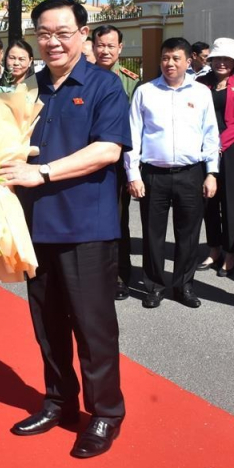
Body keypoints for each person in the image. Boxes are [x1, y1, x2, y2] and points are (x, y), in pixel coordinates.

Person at [0, 0, 130, 459]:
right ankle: (59, 401)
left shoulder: (103, 86)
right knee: (47, 324)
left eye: (62, 33)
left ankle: (105, 413)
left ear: (82, 35)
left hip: (86, 227)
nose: (52, 42)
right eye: (44, 33)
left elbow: (109, 150)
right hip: (36, 226)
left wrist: (45, 172)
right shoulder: (27, 89)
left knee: (93, 329)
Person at [125, 37, 219, 309]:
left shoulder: (201, 93)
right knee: (153, 233)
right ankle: (154, 285)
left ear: (189, 61)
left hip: (191, 173)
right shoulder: (145, 92)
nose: (170, 63)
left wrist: (212, 172)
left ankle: (183, 285)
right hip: (154, 174)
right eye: (166, 58)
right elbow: (134, 136)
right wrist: (133, 174)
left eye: (176, 58)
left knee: (188, 233)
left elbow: (211, 134)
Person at [196, 38, 234, 278]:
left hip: (231, 149)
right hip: (204, 148)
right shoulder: (199, 83)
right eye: (217, 58)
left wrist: (221, 142)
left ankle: (231, 252)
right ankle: (213, 249)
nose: (221, 62)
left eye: (226, 59)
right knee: (209, 200)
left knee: (230, 202)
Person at [92, 24, 140, 301]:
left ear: (120, 48)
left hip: (118, 164)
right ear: (93, 46)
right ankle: (94, 274)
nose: (106, 50)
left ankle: (120, 275)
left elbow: (135, 126)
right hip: (87, 161)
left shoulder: (130, 82)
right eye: (101, 45)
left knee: (118, 221)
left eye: (111, 45)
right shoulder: (82, 77)